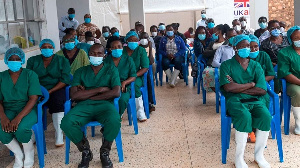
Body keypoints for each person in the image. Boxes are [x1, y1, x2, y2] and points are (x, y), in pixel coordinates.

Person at [61, 44, 121, 168]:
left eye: (99, 54)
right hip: (84, 106)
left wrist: (86, 94)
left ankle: (105, 152)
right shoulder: (80, 71)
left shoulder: (111, 69)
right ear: (88, 55)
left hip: (105, 105)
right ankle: (85, 151)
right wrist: (100, 89)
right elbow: (74, 96)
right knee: (66, 123)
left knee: (115, 120)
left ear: (104, 56)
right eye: (93, 53)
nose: (96, 56)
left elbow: (116, 92)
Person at [220, 34, 272, 168]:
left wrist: (238, 87)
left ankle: (259, 156)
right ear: (235, 47)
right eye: (243, 46)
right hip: (235, 100)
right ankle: (239, 158)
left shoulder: (256, 65)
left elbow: (262, 90)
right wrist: (250, 84)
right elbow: (228, 87)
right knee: (244, 116)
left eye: (248, 46)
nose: (246, 49)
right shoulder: (226, 65)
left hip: (255, 100)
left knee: (265, 116)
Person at [0, 47, 41, 168]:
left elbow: (33, 98)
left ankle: (29, 153)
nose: (14, 61)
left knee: (21, 128)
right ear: (6, 61)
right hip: (7, 109)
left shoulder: (30, 74)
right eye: (11, 59)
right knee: (2, 130)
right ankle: (18, 155)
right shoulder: (1, 77)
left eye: (17, 59)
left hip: (27, 109)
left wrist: (18, 118)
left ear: (22, 60)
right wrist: (3, 117)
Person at [27, 39, 71, 147]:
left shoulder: (62, 60)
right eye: (44, 47)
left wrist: (50, 91)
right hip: (37, 89)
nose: (47, 49)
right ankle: (32, 134)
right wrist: (37, 91)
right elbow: (28, 77)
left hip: (56, 88)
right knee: (31, 104)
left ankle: (59, 134)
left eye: (49, 47)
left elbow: (65, 79)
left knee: (57, 102)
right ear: (40, 48)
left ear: (53, 48)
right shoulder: (32, 60)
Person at [104, 40, 136, 117]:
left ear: (122, 48)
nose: (116, 49)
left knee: (122, 99)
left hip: (124, 87)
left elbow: (133, 76)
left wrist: (124, 83)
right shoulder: (106, 61)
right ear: (110, 49)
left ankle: (116, 117)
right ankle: (109, 118)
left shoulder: (128, 60)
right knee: (106, 100)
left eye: (119, 47)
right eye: (113, 47)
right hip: (110, 86)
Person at [278, 26, 300, 135]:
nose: (299, 40)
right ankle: (299, 125)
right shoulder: (284, 53)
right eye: (296, 38)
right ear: (291, 39)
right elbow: (285, 73)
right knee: (298, 92)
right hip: (292, 83)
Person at [123, 31, 149, 121]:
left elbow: (145, 67)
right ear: (126, 41)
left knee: (134, 86)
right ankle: (120, 109)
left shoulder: (140, 50)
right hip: (123, 76)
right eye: (131, 40)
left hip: (137, 76)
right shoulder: (122, 51)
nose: (133, 42)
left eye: (135, 40)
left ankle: (140, 112)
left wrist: (133, 76)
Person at [140, 32, 156, 112]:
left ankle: (149, 102)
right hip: (139, 70)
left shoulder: (151, 49)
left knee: (148, 80)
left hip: (146, 70)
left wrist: (149, 49)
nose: (143, 39)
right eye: (142, 38)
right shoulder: (137, 49)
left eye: (145, 38)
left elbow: (151, 61)